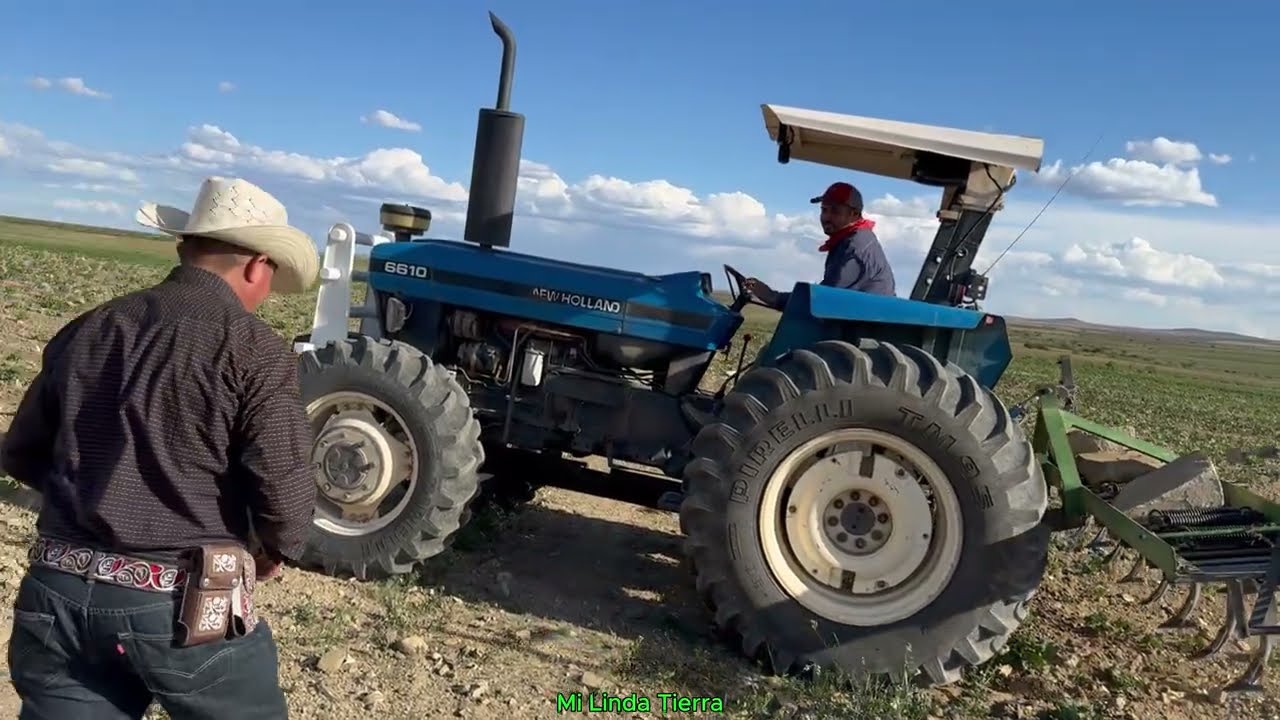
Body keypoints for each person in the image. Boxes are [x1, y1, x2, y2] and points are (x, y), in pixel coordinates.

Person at [0, 176, 320, 719]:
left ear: (185, 250)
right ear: (256, 266)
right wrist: (270, 547)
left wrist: (93, 493)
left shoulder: (90, 327)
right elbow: (284, 495)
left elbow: (22, 452)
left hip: (56, 594)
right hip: (180, 607)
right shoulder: (253, 348)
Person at [744, 181, 896, 309]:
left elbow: (824, 300)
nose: (826, 217)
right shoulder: (849, 240)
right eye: (824, 210)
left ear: (854, 214)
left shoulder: (856, 247)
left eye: (835, 211)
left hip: (862, 326)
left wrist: (774, 297)